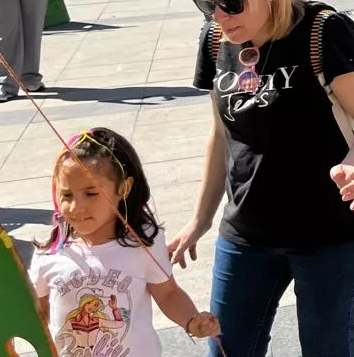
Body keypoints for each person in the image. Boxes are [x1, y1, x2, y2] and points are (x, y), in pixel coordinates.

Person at [171, 0, 354, 357]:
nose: (219, 16)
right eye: (207, 4)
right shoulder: (216, 40)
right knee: (228, 349)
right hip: (248, 230)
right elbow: (222, 135)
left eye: (231, 3)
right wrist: (199, 220)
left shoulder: (324, 31)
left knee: (326, 349)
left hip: (331, 230)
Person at [29, 128, 221, 352]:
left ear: (124, 188)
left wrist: (192, 320)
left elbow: (168, 293)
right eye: (66, 194)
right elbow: (38, 312)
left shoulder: (142, 243)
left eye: (91, 193)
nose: (75, 207)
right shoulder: (50, 252)